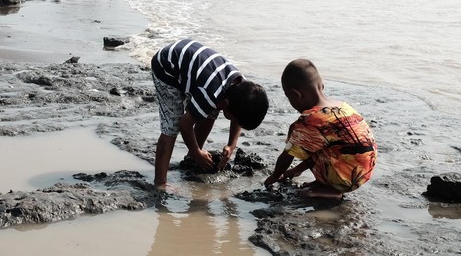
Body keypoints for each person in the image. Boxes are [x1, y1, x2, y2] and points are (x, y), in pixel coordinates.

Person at [151, 39, 269, 188]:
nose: (235, 121)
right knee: (172, 125)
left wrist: (232, 145)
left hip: (195, 65)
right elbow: (184, 124)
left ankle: (192, 158)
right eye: (234, 118)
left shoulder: (242, 87)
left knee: (210, 111)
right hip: (167, 66)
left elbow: (237, 118)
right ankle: (160, 182)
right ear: (226, 105)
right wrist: (196, 152)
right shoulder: (211, 94)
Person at [264, 59, 377, 199]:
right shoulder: (343, 107)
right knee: (319, 143)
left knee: (303, 141)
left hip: (346, 177)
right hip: (365, 170)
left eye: (289, 98)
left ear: (295, 95)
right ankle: (325, 184)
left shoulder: (309, 120)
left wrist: (274, 177)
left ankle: (333, 191)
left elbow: (287, 156)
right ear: (321, 85)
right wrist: (296, 170)